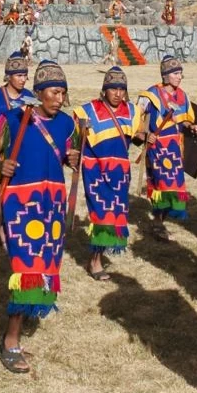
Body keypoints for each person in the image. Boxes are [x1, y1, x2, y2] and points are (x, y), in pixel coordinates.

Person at [0, 60, 78, 373]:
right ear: (38, 93)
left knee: (46, 265)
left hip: (52, 203)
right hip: (22, 204)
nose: (59, 98)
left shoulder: (65, 123)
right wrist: (0, 165)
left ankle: (20, 324)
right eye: (53, 92)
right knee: (27, 268)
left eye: (63, 92)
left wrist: (70, 156)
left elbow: (59, 154)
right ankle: (9, 340)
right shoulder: (12, 120)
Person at [73, 66, 137, 279]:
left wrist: (147, 136)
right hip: (96, 171)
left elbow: (136, 135)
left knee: (116, 214)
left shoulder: (132, 111)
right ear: (105, 90)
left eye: (122, 89)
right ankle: (95, 262)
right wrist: (81, 129)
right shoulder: (89, 110)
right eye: (113, 89)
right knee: (101, 214)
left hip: (120, 173)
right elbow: (74, 133)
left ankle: (99, 255)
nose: (118, 93)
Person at [134, 56, 197, 240]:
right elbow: (135, 117)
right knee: (163, 186)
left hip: (174, 148)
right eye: (176, 73)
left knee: (175, 187)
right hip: (157, 147)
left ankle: (160, 221)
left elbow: (184, 118)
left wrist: (191, 126)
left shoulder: (182, 96)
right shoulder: (151, 95)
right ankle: (157, 224)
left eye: (180, 73)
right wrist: (144, 135)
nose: (179, 77)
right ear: (166, 76)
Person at [0, 51, 36, 135]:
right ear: (9, 76)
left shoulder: (29, 96)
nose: (23, 79)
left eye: (25, 75)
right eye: (19, 75)